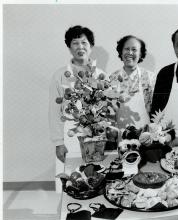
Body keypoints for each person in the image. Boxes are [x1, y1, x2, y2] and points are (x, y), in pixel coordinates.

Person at [49, 25, 108, 163]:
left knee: (97, 176)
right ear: (69, 47)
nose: (80, 47)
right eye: (75, 43)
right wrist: (58, 143)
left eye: (84, 42)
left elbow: (106, 110)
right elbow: (54, 111)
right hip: (70, 137)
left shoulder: (101, 75)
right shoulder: (60, 75)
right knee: (71, 178)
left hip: (96, 137)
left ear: (91, 46)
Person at [109, 35, 156, 133]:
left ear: (140, 54)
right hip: (120, 134)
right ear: (121, 52)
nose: (130, 52)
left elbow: (156, 110)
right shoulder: (112, 78)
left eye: (134, 50)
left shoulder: (150, 77)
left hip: (146, 134)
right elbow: (110, 112)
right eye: (126, 49)